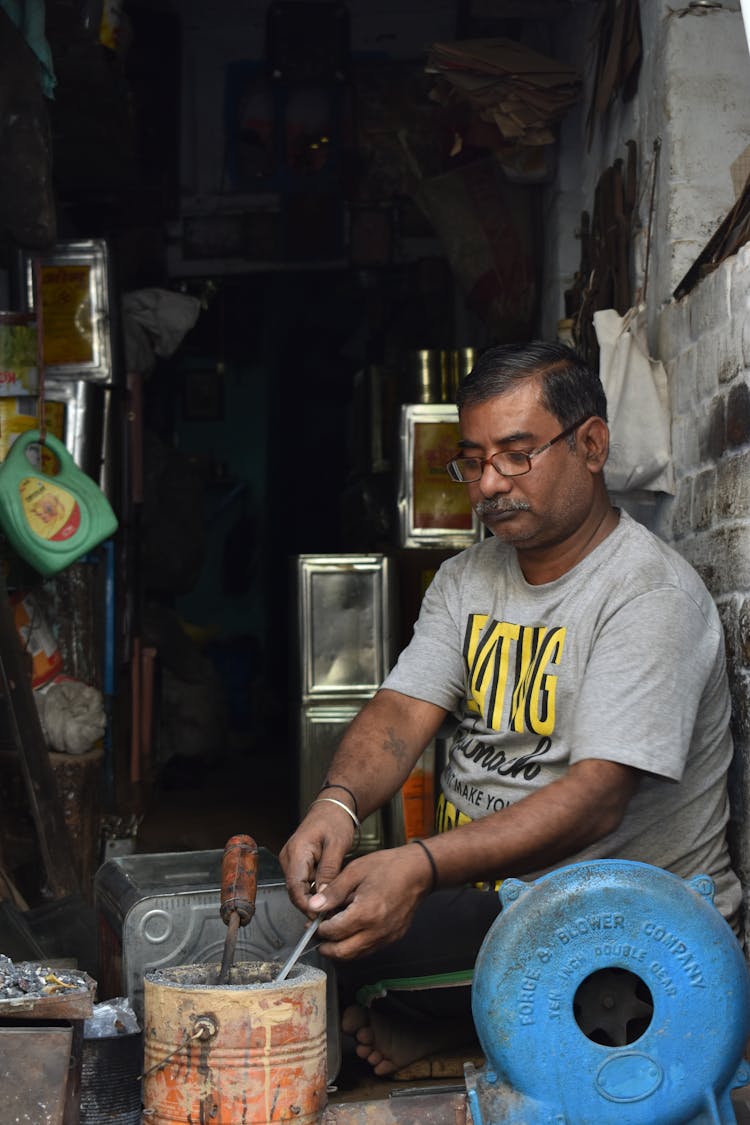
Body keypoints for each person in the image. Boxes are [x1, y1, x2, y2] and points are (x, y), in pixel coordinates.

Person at [280, 340, 741, 1077]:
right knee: (303, 916)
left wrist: (420, 867)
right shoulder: (468, 577)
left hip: (619, 927)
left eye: (516, 455)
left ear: (591, 444)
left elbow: (595, 801)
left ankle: (462, 1035)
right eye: (472, 460)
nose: (489, 483)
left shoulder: (648, 596)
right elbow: (401, 711)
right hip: (495, 899)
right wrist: (335, 806)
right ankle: (462, 1038)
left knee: (325, 959)